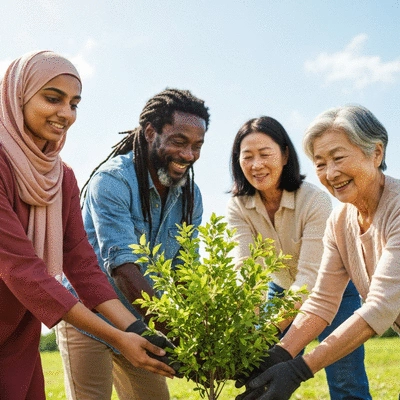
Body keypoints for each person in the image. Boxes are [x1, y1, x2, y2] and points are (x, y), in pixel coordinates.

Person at [0, 51, 176, 400]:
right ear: (18, 96)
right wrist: (116, 337)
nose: (65, 113)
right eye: (53, 98)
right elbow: (21, 269)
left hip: (18, 327)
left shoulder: (61, 177)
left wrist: (137, 329)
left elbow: (82, 264)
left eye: (74, 103)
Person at [57, 88, 210, 399]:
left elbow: (185, 272)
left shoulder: (190, 198)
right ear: (151, 132)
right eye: (179, 142)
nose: (189, 155)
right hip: (90, 318)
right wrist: (174, 331)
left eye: (197, 146)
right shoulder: (113, 181)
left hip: (144, 322)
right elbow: (123, 267)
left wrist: (200, 332)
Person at [239, 105, 400, 400]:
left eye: (338, 158)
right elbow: (322, 300)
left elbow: (379, 307)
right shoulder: (340, 222)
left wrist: (299, 368)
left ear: (376, 153)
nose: (331, 173)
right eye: (320, 163)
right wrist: (280, 353)